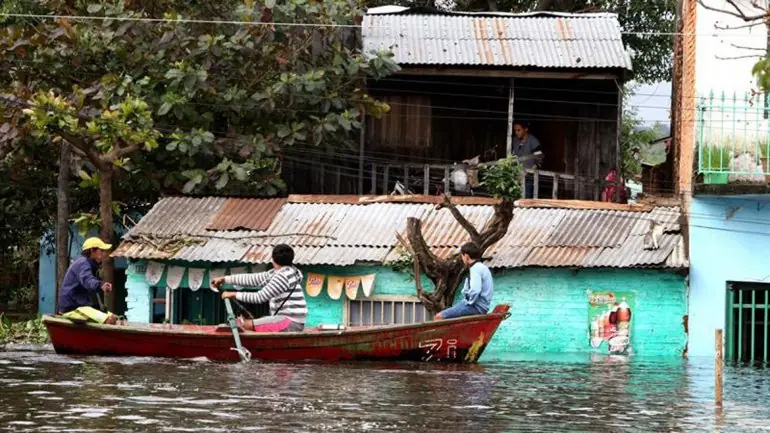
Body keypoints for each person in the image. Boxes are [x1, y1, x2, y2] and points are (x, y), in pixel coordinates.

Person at [212, 244, 307, 332]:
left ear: (273, 259)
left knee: (245, 325)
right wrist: (224, 279)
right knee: (252, 322)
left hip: (290, 323)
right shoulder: (286, 272)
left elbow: (259, 297)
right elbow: (253, 279)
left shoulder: (283, 276)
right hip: (290, 321)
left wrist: (233, 294)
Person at [58, 237, 118, 324]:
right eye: (101, 250)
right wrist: (101, 285)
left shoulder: (92, 266)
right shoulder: (83, 263)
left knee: (116, 318)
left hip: (83, 306)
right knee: (110, 320)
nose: (104, 254)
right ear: (92, 251)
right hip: (73, 308)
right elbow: (88, 280)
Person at [434, 242, 493, 320]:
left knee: (439, 317)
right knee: (447, 312)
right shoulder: (482, 267)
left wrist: (469, 302)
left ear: (466, 256)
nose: (462, 259)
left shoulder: (475, 269)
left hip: (476, 307)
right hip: (481, 306)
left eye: (462, 256)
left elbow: (475, 290)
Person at [512, 120, 543, 198]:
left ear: (526, 129)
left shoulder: (533, 141)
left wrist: (527, 173)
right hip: (516, 176)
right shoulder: (515, 141)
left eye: (519, 130)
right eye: (515, 130)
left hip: (529, 177)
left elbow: (539, 161)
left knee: (526, 199)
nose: (516, 132)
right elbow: (512, 157)